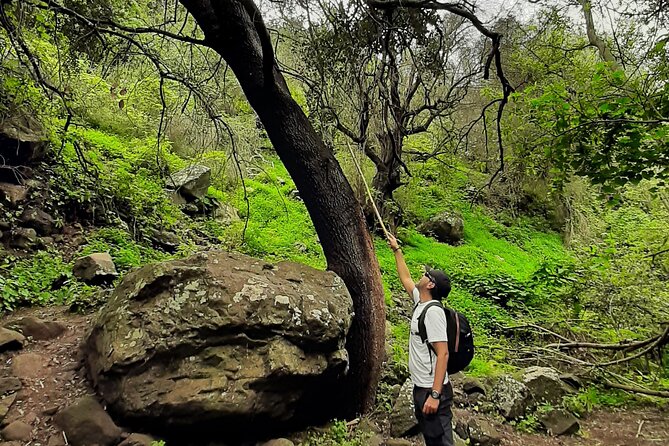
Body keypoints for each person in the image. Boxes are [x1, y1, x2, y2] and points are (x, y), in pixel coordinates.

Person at [387, 233, 454, 446]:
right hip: (421, 387)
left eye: (426, 275)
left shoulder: (433, 313)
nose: (422, 275)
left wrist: (435, 395)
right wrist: (397, 250)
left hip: (432, 391)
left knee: (442, 442)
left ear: (431, 285)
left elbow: (443, 353)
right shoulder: (420, 302)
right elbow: (406, 278)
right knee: (431, 439)